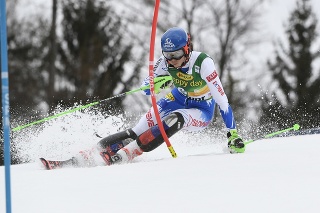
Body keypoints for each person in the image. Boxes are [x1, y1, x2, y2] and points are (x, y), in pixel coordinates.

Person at [40, 27, 245, 169]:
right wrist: (152, 85)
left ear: (187, 48)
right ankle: (87, 154)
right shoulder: (165, 63)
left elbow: (222, 100)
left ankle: (128, 153)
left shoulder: (203, 63)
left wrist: (232, 134)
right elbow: (148, 84)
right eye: (168, 55)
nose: (172, 60)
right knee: (136, 130)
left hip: (201, 110)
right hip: (176, 98)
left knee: (175, 120)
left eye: (176, 55)